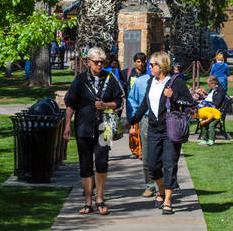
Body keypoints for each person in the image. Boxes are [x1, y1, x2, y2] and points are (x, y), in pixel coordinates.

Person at [129, 51, 193, 214]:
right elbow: (145, 103)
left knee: (170, 164)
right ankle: (161, 189)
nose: (148, 67)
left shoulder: (175, 82)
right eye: (149, 65)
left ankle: (168, 201)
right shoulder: (151, 81)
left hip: (169, 129)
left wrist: (174, 96)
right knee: (152, 165)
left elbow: (189, 101)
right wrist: (133, 120)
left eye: (152, 64)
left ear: (162, 65)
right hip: (153, 129)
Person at [62, 46, 123, 215]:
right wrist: (67, 125)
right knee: (85, 165)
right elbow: (70, 103)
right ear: (88, 62)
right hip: (83, 127)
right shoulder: (80, 80)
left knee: (102, 162)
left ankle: (100, 199)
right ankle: (88, 201)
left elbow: (120, 101)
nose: (99, 65)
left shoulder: (110, 79)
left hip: (105, 128)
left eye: (102, 62)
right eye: (96, 62)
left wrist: (106, 105)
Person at [125, 53, 150, 166]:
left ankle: (141, 151)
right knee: (133, 129)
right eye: (138, 61)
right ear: (135, 62)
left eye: (142, 61)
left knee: (142, 130)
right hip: (131, 103)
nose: (140, 64)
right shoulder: (128, 73)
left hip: (143, 105)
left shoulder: (148, 74)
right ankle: (135, 150)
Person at [195, 75, 228, 145]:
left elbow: (216, 104)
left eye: (209, 84)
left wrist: (204, 102)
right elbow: (210, 97)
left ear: (213, 83)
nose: (209, 86)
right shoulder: (213, 89)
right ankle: (204, 139)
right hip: (207, 108)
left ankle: (210, 140)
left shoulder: (220, 90)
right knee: (191, 106)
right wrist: (203, 94)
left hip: (213, 111)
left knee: (192, 111)